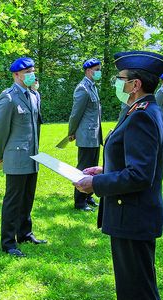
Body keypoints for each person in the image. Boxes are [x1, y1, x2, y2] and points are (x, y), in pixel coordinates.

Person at [74, 50, 163, 300]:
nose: (117, 83)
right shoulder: (141, 110)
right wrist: (106, 168)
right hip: (132, 215)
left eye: (121, 79)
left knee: (135, 294)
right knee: (138, 290)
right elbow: (133, 162)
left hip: (133, 216)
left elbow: (140, 175)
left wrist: (95, 184)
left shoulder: (142, 114)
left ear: (136, 84)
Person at [0, 57, 47, 258]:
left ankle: (25, 233)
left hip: (32, 156)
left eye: (33, 71)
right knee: (13, 200)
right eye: (27, 72)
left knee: (27, 197)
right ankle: (8, 242)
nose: (32, 75)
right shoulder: (8, 97)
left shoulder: (34, 95)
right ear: (16, 75)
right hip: (15, 157)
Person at [68, 58, 103, 211]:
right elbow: (76, 114)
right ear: (89, 71)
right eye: (97, 69)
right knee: (83, 168)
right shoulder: (82, 88)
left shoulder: (92, 86)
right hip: (86, 135)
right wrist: (71, 131)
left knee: (93, 168)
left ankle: (88, 196)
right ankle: (79, 201)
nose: (99, 72)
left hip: (94, 135)